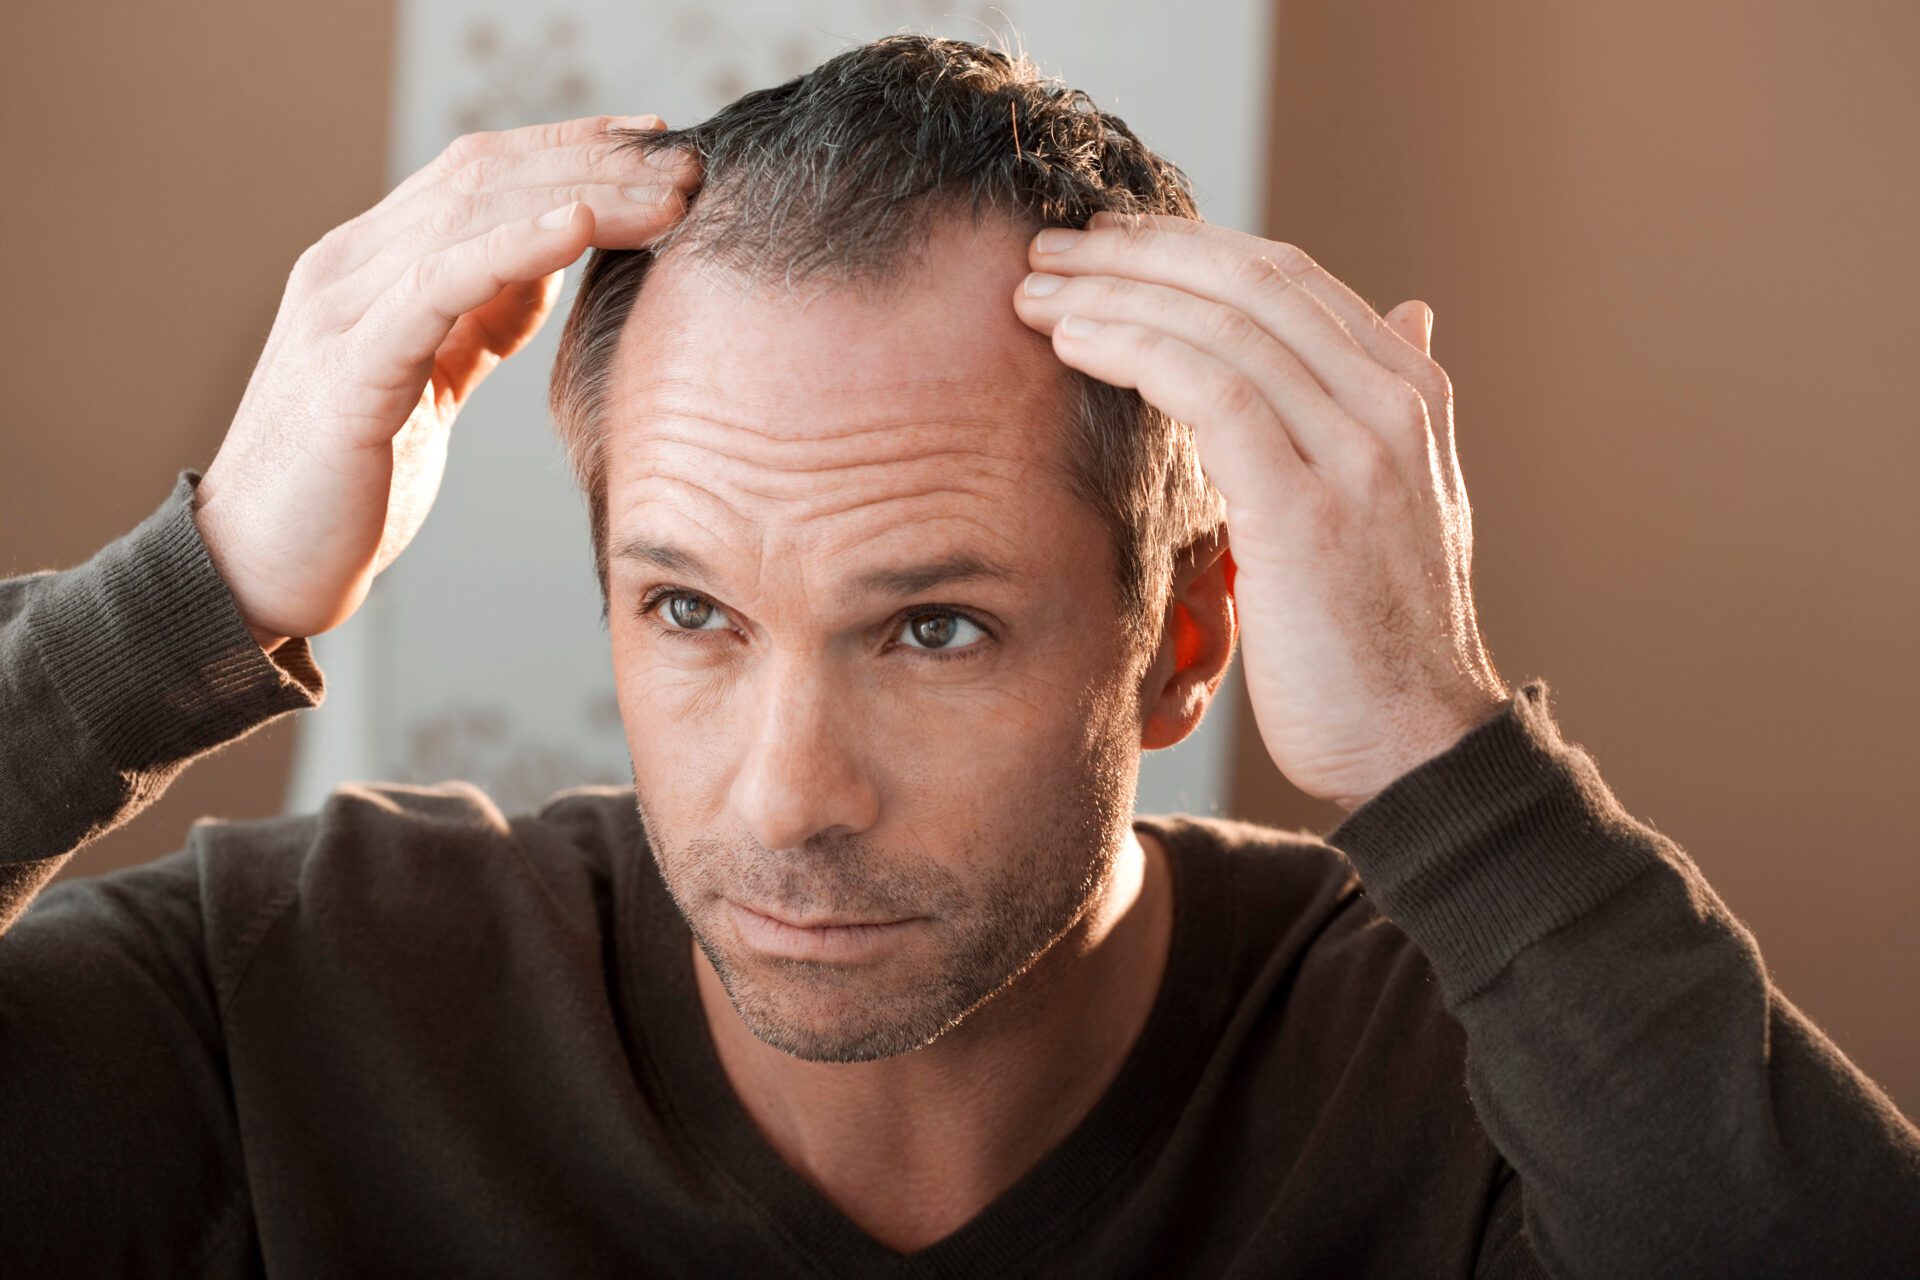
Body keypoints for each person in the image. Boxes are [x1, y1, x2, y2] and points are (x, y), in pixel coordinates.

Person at [1, 33, 1914, 1278]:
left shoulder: (1472, 1076)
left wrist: (1440, 750)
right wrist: (192, 598)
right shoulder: (299, 1003)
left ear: (1182, 642)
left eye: (934, 627)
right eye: (690, 613)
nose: (785, 799)